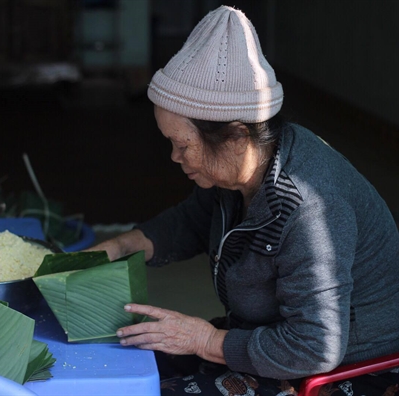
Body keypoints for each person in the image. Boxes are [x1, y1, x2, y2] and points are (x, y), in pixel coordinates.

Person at [86, 5, 399, 396]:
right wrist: (122, 245)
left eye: (182, 145)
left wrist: (204, 340)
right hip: (264, 337)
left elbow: (313, 346)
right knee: (125, 359)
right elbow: (193, 220)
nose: (174, 157)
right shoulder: (243, 169)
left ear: (235, 136)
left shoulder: (312, 209)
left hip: (344, 369)